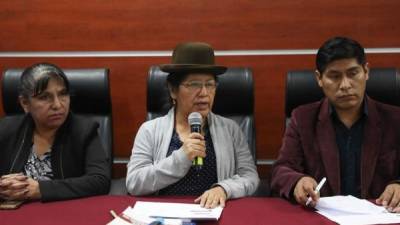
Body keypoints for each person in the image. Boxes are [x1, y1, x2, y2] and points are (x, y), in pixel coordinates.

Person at [270, 37, 400, 212]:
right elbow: (281, 169)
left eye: (353, 73)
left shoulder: (394, 119)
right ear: (319, 79)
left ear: (366, 71)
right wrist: (297, 181)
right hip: (324, 217)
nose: (345, 85)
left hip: (379, 216)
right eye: (334, 76)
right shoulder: (303, 119)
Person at [126, 42, 259, 209]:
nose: (204, 93)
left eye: (210, 85)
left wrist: (224, 189)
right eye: (194, 84)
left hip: (214, 213)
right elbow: (134, 183)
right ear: (173, 90)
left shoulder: (231, 129)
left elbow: (250, 177)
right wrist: (181, 158)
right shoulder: (149, 130)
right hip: (166, 215)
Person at [0, 63, 111, 202]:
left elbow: (100, 180)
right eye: (44, 97)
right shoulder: (6, 129)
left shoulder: (83, 130)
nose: (57, 105)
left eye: (63, 94)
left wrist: (41, 189)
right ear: (25, 103)